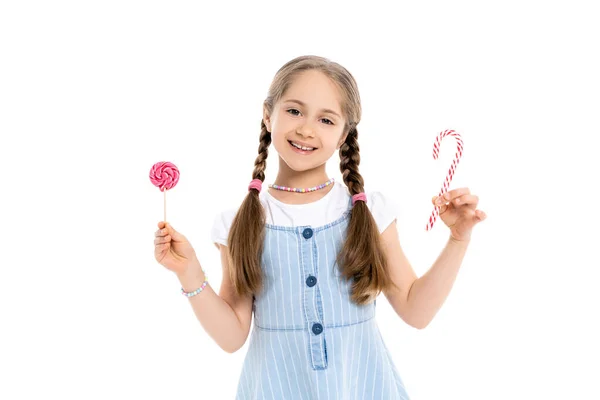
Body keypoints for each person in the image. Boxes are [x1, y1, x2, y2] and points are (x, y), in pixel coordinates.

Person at [153, 55, 486, 399]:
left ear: (344, 135)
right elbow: (231, 336)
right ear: (268, 115)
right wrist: (189, 273)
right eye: (294, 111)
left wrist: (458, 239)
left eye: (326, 119)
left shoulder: (370, 213)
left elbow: (417, 311)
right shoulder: (239, 224)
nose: (306, 129)